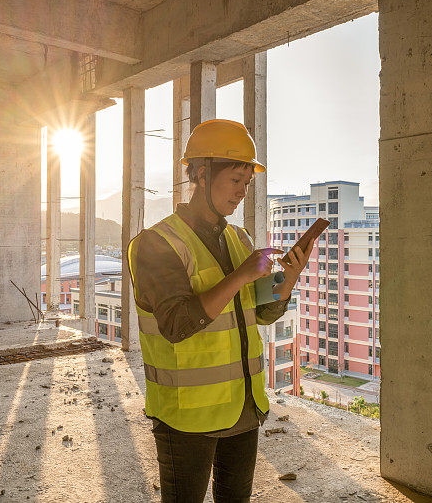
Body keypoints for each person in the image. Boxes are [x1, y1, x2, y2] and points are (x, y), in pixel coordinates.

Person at [127, 119, 314, 502]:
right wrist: (242, 274)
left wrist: (289, 277)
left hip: (243, 407)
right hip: (187, 417)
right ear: (200, 173)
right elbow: (177, 324)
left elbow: (259, 314)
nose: (242, 192)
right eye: (234, 180)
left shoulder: (237, 238)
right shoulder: (156, 243)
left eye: (247, 183)